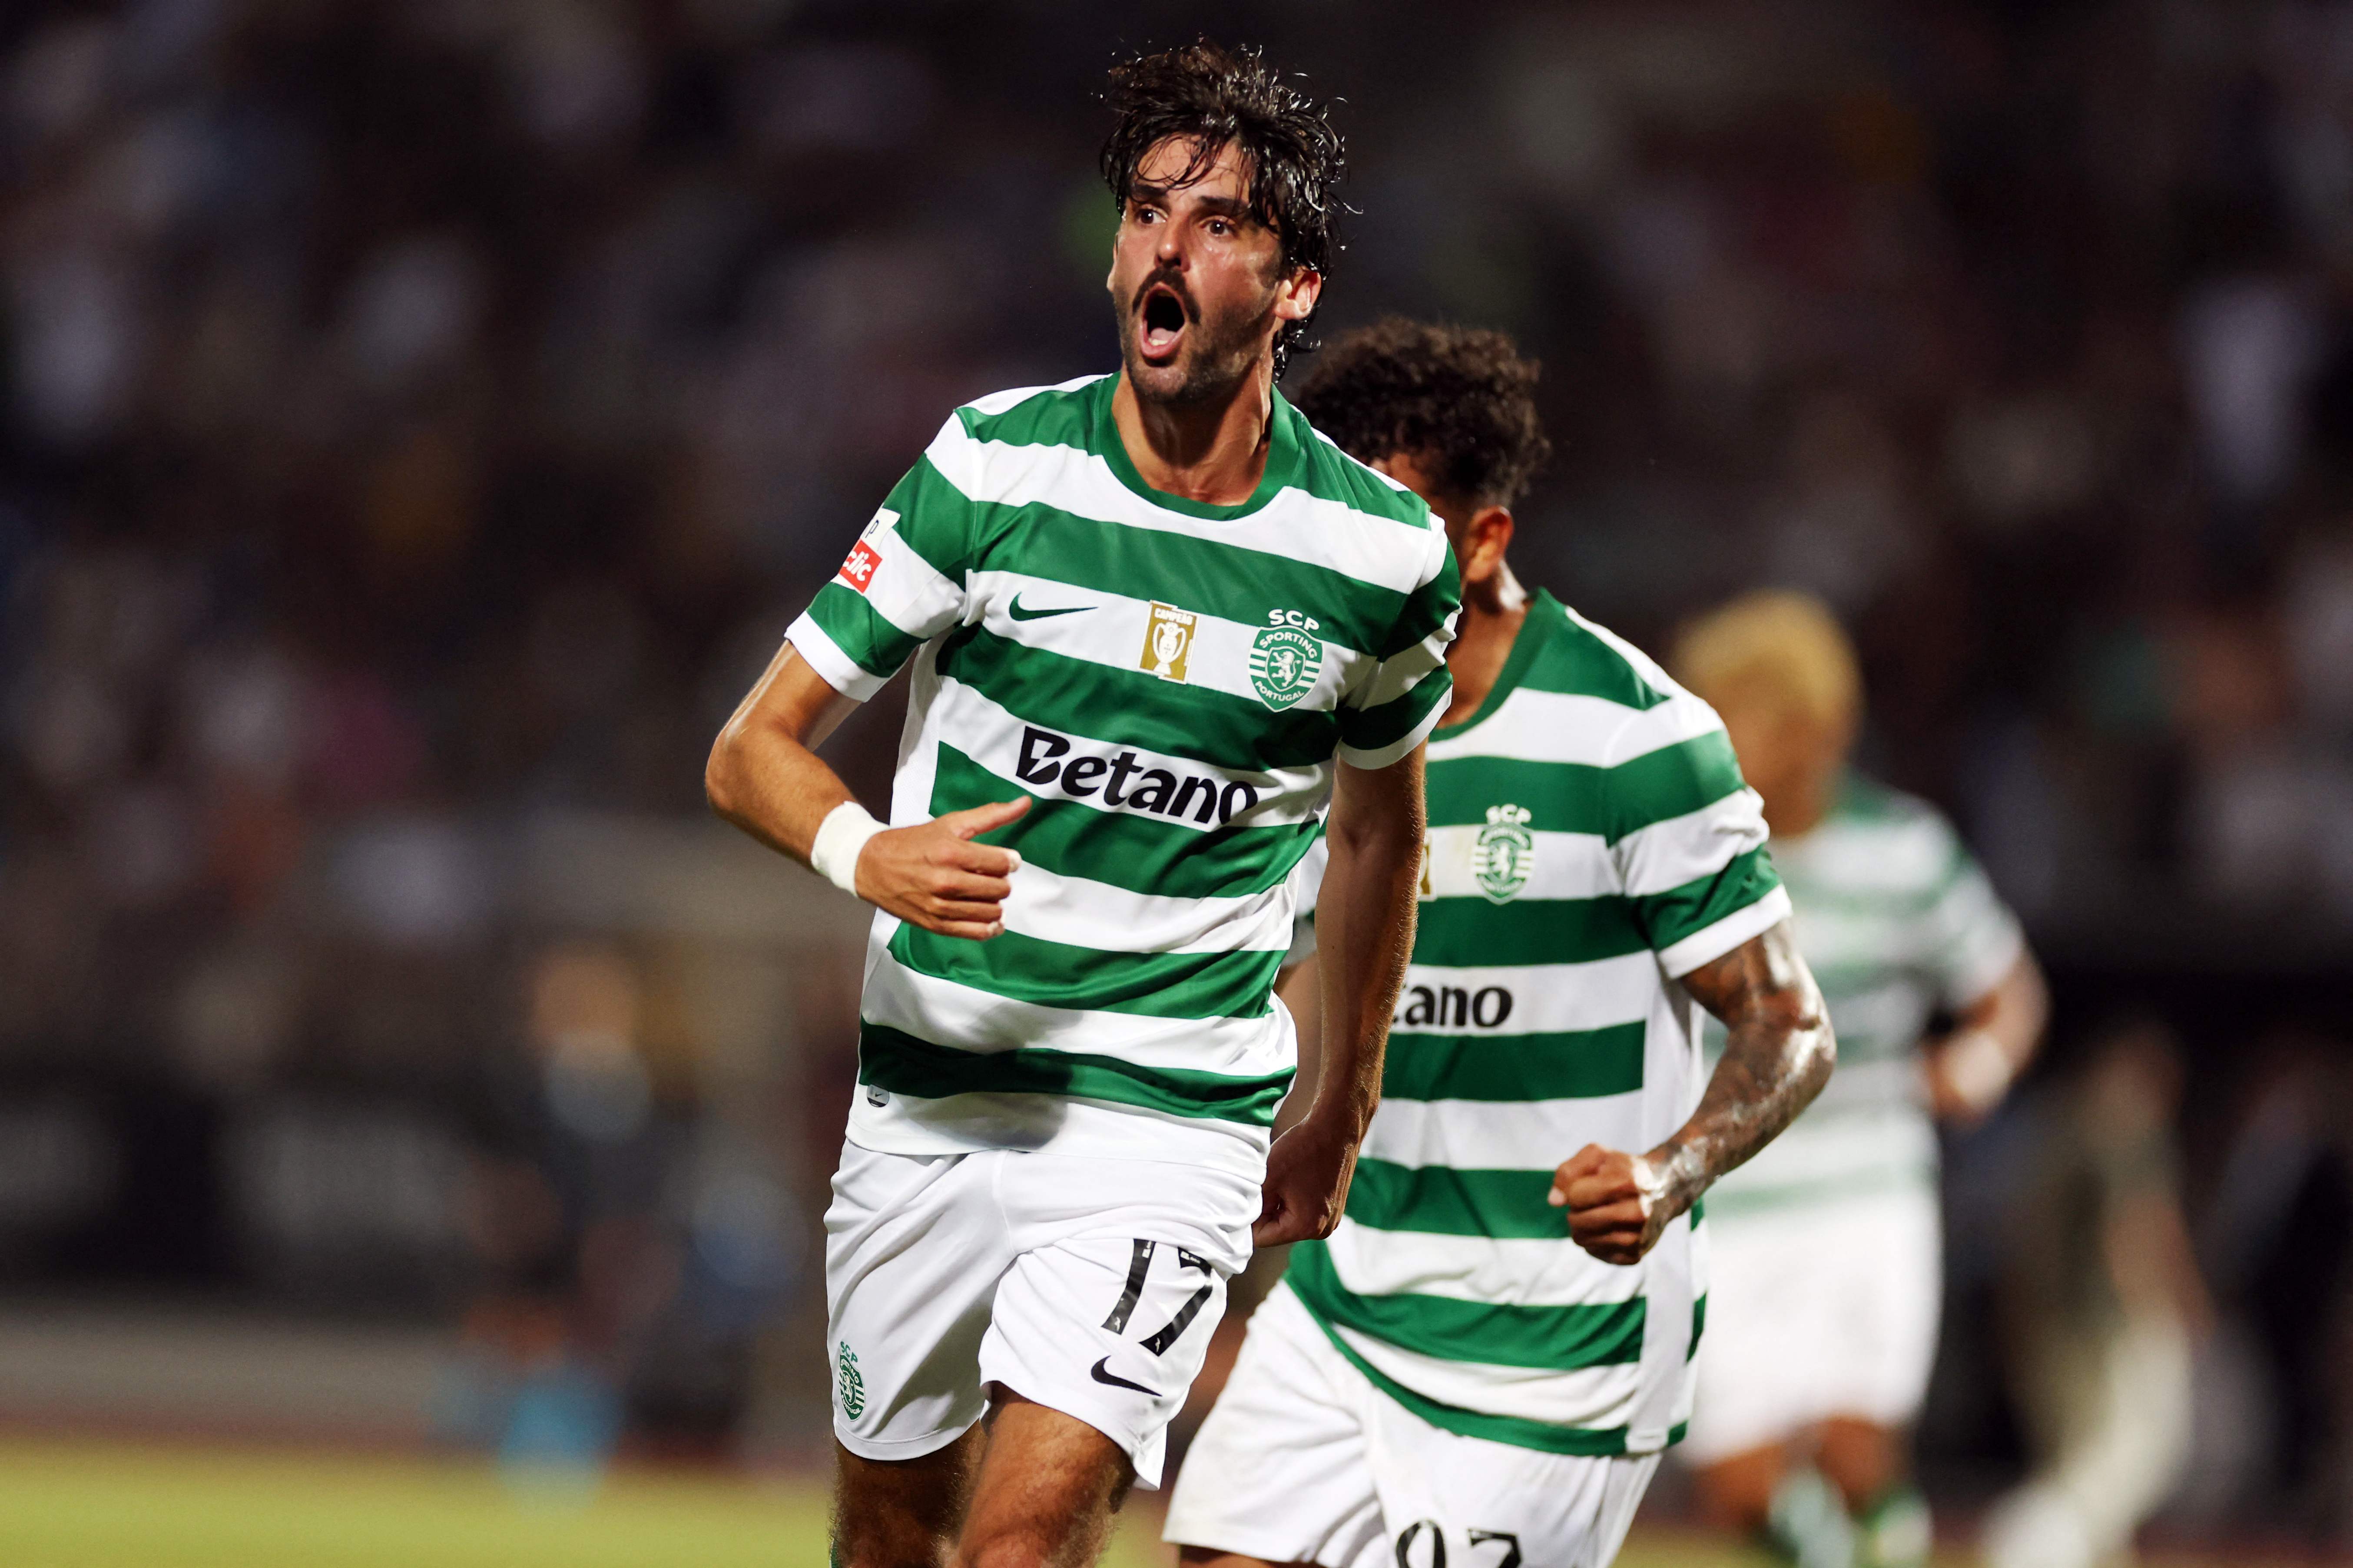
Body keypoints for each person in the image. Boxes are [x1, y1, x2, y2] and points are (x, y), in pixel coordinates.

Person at [704, 43, 1460, 1568]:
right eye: (1143, 210)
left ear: (1294, 286)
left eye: (1218, 221)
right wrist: (869, 853)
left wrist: (1345, 1096)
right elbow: (750, 750)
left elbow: (1381, 830)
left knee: (1026, 1540)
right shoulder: (988, 469)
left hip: (1169, 1118)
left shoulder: (1377, 559)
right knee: (888, 1549)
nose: (1164, 246)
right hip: (931, 1099)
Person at [1165, 318, 1837, 1568]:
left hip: (1553, 1357)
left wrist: (1669, 1171)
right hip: (1346, 1307)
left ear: (1486, 540)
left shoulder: (1635, 738)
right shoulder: (1307, 721)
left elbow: (1789, 1024)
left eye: (1397, 520)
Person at [1668, 591, 2050, 1568]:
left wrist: (1976, 1061)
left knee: (1856, 1453)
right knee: (1739, 1479)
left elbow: (2008, 990)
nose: (1714, 732)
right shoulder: (1678, 861)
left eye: (1740, 711)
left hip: (1868, 1197)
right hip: (1733, 1205)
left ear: (1809, 727)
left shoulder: (1903, 849)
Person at [1980, 1016, 2209, 1568]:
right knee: (2132, 1453)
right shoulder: (2121, 1126)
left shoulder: (2055, 1127)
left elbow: (2018, 1238)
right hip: (2109, 1326)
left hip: (2050, 1327)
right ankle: (2025, 1543)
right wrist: (2169, 1308)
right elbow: (2133, 1229)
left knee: (2080, 1454)